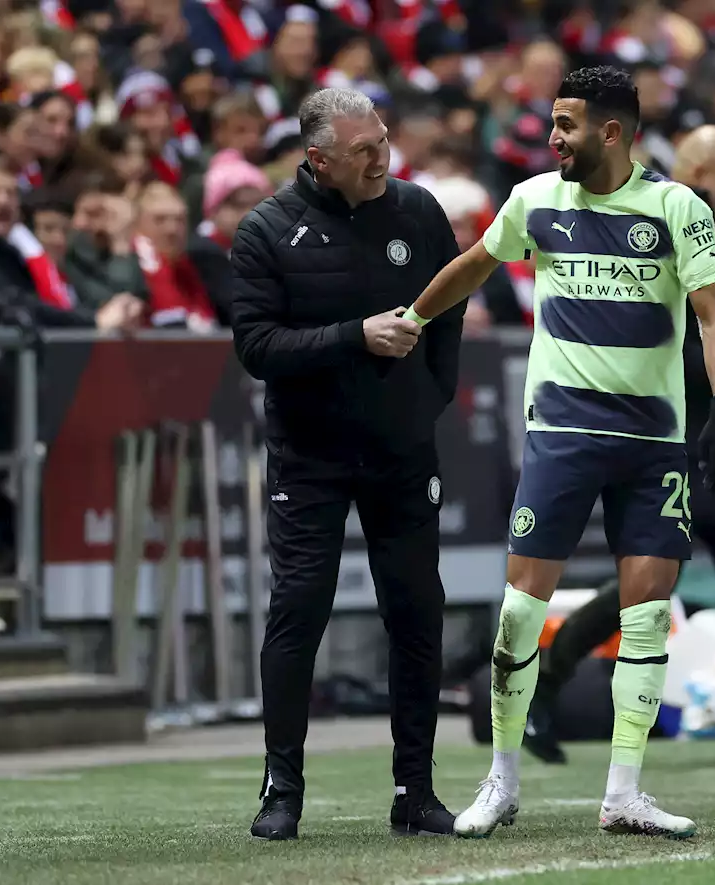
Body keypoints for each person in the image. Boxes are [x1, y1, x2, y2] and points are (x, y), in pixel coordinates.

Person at [404, 66, 715, 840]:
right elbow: (478, 264)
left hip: (654, 441)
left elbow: (711, 318)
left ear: (612, 132)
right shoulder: (534, 201)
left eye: (566, 125)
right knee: (521, 614)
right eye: (551, 124)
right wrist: (413, 317)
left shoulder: (675, 207)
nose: (551, 138)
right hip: (561, 435)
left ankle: (624, 791)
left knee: (648, 616)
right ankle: (501, 780)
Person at [521, 126, 715, 767]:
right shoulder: (657, 214)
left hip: (711, 420)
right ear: (698, 168)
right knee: (652, 578)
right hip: (673, 423)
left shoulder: (696, 224)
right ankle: (543, 684)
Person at [228, 87, 466, 841]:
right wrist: (353, 337)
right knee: (299, 609)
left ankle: (416, 788)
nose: (381, 158)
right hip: (312, 453)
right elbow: (257, 347)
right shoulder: (266, 230)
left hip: (402, 450)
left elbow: (451, 305)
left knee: (417, 609)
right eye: (363, 151)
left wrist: (431, 399)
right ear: (318, 158)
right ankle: (281, 789)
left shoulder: (419, 212)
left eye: (384, 141)